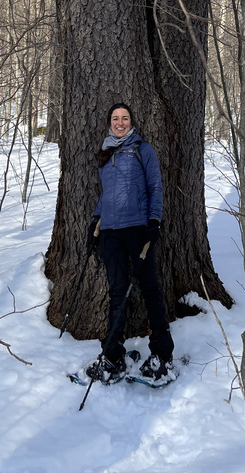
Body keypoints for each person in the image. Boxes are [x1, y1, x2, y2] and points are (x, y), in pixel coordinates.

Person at [85, 102, 175, 384]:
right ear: (109, 122)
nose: (120, 122)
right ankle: (112, 355)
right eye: (115, 118)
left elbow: (155, 187)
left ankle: (162, 354)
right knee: (116, 292)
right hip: (110, 231)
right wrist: (95, 221)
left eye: (125, 118)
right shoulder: (106, 152)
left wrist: (154, 221)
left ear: (131, 122)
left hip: (137, 229)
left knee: (149, 288)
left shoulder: (142, 150)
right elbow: (107, 193)